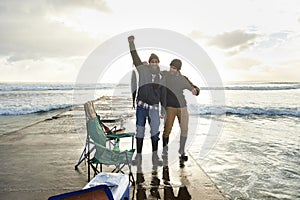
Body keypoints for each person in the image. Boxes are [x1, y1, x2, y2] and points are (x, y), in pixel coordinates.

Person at [128, 35, 166, 165]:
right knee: (140, 131)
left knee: (155, 132)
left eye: (156, 61)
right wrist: (131, 43)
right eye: (152, 61)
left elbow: (163, 94)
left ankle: (155, 157)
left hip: (154, 108)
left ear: (158, 63)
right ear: (149, 63)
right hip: (141, 107)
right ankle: (138, 157)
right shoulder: (143, 71)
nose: (154, 63)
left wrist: (164, 109)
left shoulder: (161, 76)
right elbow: (135, 57)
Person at [161, 59, 200, 167]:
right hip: (170, 107)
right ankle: (165, 150)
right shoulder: (166, 75)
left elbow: (194, 87)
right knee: (167, 129)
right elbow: (154, 71)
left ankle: (182, 151)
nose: (171, 69)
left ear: (178, 69)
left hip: (182, 107)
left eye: (174, 68)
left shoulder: (183, 79)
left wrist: (196, 90)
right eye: (171, 67)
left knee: (184, 129)